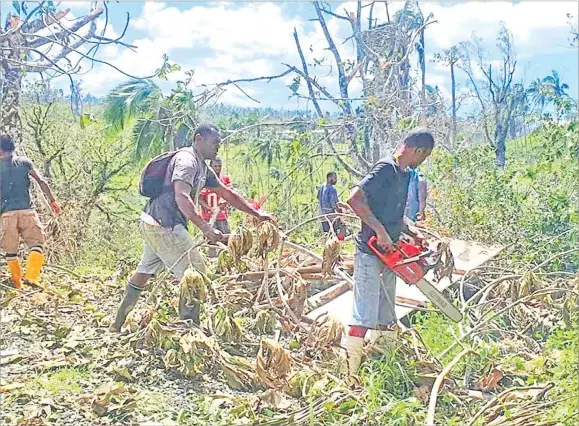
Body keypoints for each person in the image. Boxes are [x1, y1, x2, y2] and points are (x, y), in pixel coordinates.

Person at [110, 123, 275, 332]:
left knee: (143, 273)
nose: (218, 148)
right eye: (215, 142)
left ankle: (117, 325)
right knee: (195, 273)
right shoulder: (187, 161)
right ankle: (190, 332)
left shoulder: (203, 167)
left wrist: (256, 213)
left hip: (153, 221)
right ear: (199, 139)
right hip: (165, 224)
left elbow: (226, 193)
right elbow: (182, 196)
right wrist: (205, 227)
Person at [341, 128, 435, 374]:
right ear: (417, 150)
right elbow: (354, 199)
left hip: (391, 254)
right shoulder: (385, 168)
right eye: (423, 157)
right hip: (370, 251)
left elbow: (393, 213)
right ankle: (349, 372)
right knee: (364, 314)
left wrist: (411, 230)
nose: (421, 162)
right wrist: (379, 232)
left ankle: (382, 367)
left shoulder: (405, 175)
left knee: (386, 315)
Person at [0, 135, 61, 289]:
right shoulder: (25, 163)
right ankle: (32, 277)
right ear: (13, 147)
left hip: (7, 213)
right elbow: (41, 181)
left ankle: (18, 285)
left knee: (10, 251)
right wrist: (52, 200)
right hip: (27, 211)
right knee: (37, 244)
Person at [199, 157, 232, 257]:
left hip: (222, 216)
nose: (217, 168)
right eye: (215, 166)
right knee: (211, 240)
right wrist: (209, 208)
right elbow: (199, 199)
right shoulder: (204, 180)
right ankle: (212, 260)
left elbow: (230, 194)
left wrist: (224, 202)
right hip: (208, 217)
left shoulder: (225, 179)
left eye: (219, 166)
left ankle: (226, 259)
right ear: (211, 167)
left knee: (226, 238)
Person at [317, 171, 347, 237]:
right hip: (330, 216)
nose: (336, 180)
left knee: (326, 234)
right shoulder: (332, 189)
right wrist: (341, 213)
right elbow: (334, 205)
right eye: (335, 178)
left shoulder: (321, 187)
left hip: (322, 215)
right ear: (329, 178)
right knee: (333, 234)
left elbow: (318, 198)